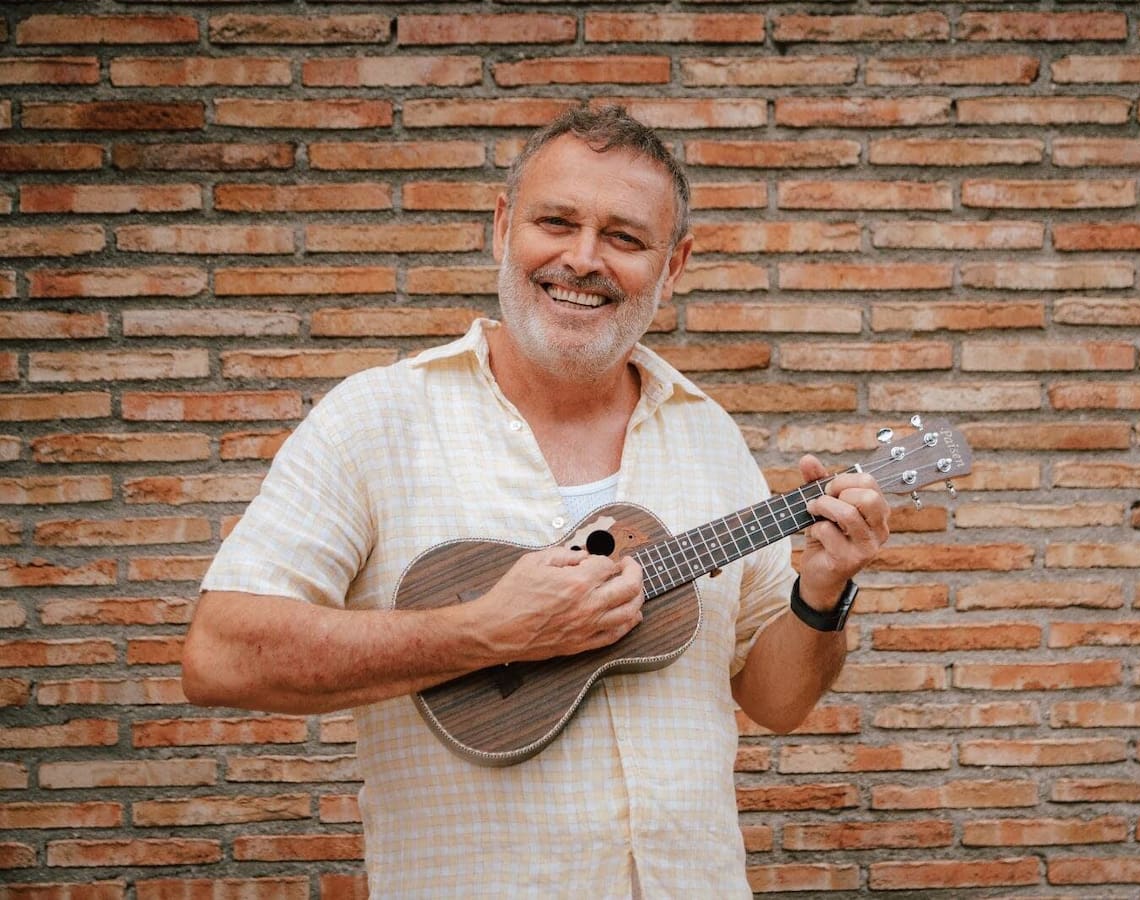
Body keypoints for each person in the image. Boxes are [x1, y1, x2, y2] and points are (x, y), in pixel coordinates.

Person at [183, 104, 890, 898]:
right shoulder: (375, 420)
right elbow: (220, 655)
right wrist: (483, 631)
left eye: (625, 238)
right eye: (556, 222)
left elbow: (775, 699)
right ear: (502, 226)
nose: (583, 259)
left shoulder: (709, 436)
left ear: (674, 264)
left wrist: (822, 593)